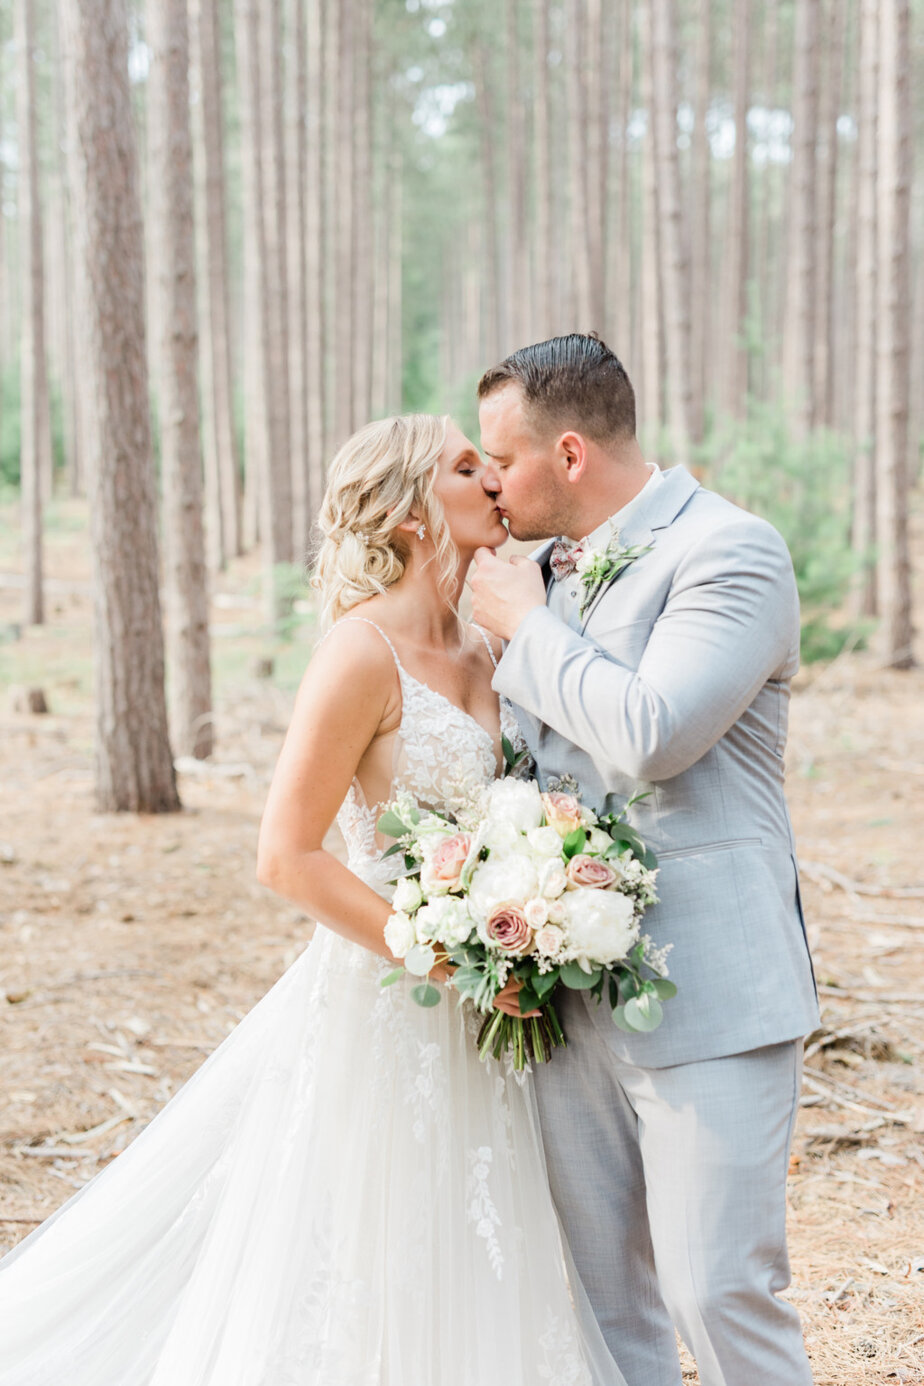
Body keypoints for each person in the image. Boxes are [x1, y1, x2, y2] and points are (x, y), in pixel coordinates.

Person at [0, 413, 625, 1386]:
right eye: (468, 468)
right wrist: (446, 955)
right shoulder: (358, 652)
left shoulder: (489, 648)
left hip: (488, 1004)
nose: (496, 483)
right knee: (371, 1237)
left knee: (483, 1226)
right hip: (388, 1001)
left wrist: (532, 906)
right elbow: (285, 854)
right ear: (413, 515)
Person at [470, 332, 819, 1386]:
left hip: (709, 985)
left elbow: (657, 731)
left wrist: (529, 630)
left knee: (717, 1290)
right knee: (599, 1301)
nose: (491, 483)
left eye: (506, 459)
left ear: (570, 454)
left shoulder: (730, 551)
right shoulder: (523, 571)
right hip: (560, 991)